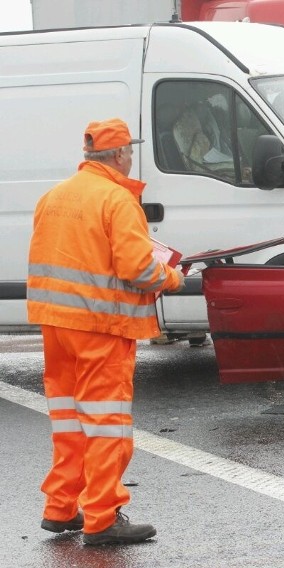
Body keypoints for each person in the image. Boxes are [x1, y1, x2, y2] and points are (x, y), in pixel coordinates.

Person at [27, 118, 185, 545]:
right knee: (106, 424)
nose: (131, 158)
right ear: (119, 155)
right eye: (130, 152)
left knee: (68, 421)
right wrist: (171, 278)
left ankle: (61, 507)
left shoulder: (53, 197)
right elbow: (137, 267)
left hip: (56, 325)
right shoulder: (116, 200)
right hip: (100, 327)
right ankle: (101, 518)